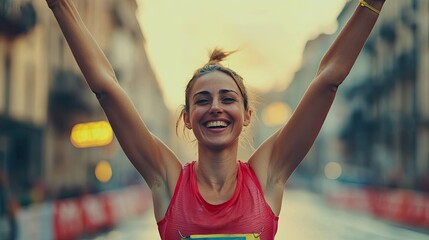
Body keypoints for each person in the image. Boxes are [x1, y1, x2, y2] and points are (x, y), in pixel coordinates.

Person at [46, 0, 386, 239]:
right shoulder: (166, 180)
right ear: (188, 119)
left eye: (228, 98)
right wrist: (60, 4)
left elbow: (328, 79)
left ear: (247, 115)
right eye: (202, 100)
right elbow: (106, 89)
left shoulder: (268, 174)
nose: (215, 108)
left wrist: (371, 4)